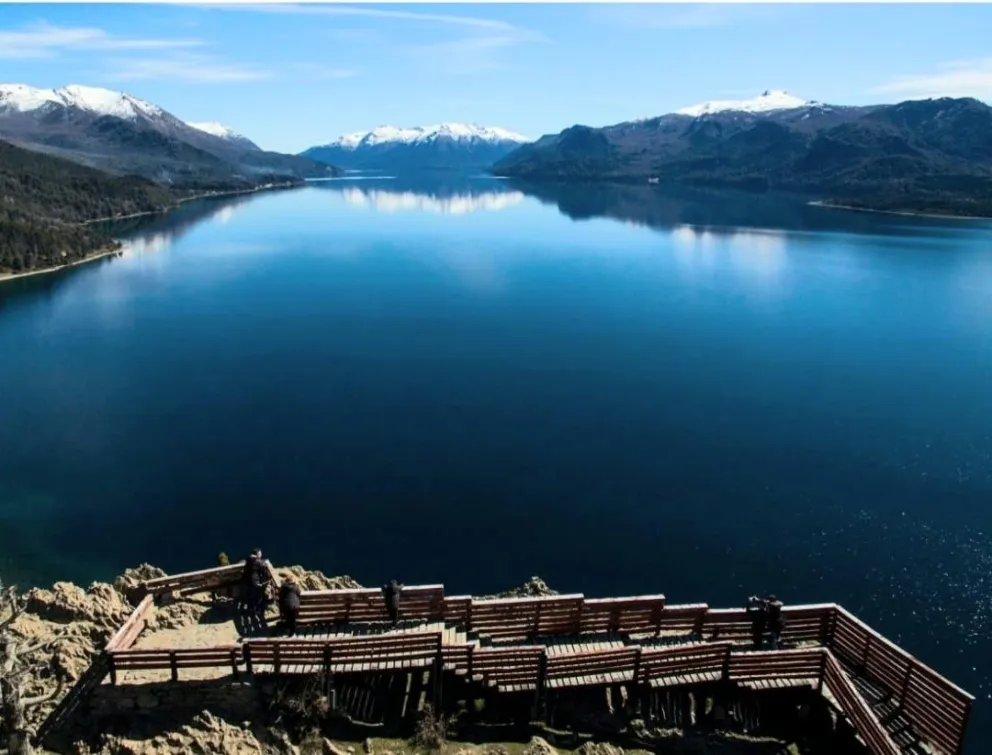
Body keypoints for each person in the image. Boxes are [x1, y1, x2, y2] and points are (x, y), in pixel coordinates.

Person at [242, 548, 267, 619]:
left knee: (250, 596)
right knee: (258, 596)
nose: (261, 555)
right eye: (260, 553)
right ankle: (257, 611)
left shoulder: (248, 559)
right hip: (254, 581)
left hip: (247, 581)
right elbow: (263, 566)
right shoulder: (256, 560)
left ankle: (250, 609)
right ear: (257, 554)